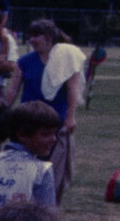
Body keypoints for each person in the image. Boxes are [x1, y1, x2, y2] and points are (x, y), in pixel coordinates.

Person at [5, 18, 85, 205]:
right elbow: (13, 89)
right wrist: (4, 110)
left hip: (54, 120)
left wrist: (71, 117)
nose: (32, 40)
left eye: (37, 36)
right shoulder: (24, 61)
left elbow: (72, 89)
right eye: (30, 36)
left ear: (49, 38)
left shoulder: (65, 60)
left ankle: (46, 204)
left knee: (50, 168)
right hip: (27, 119)